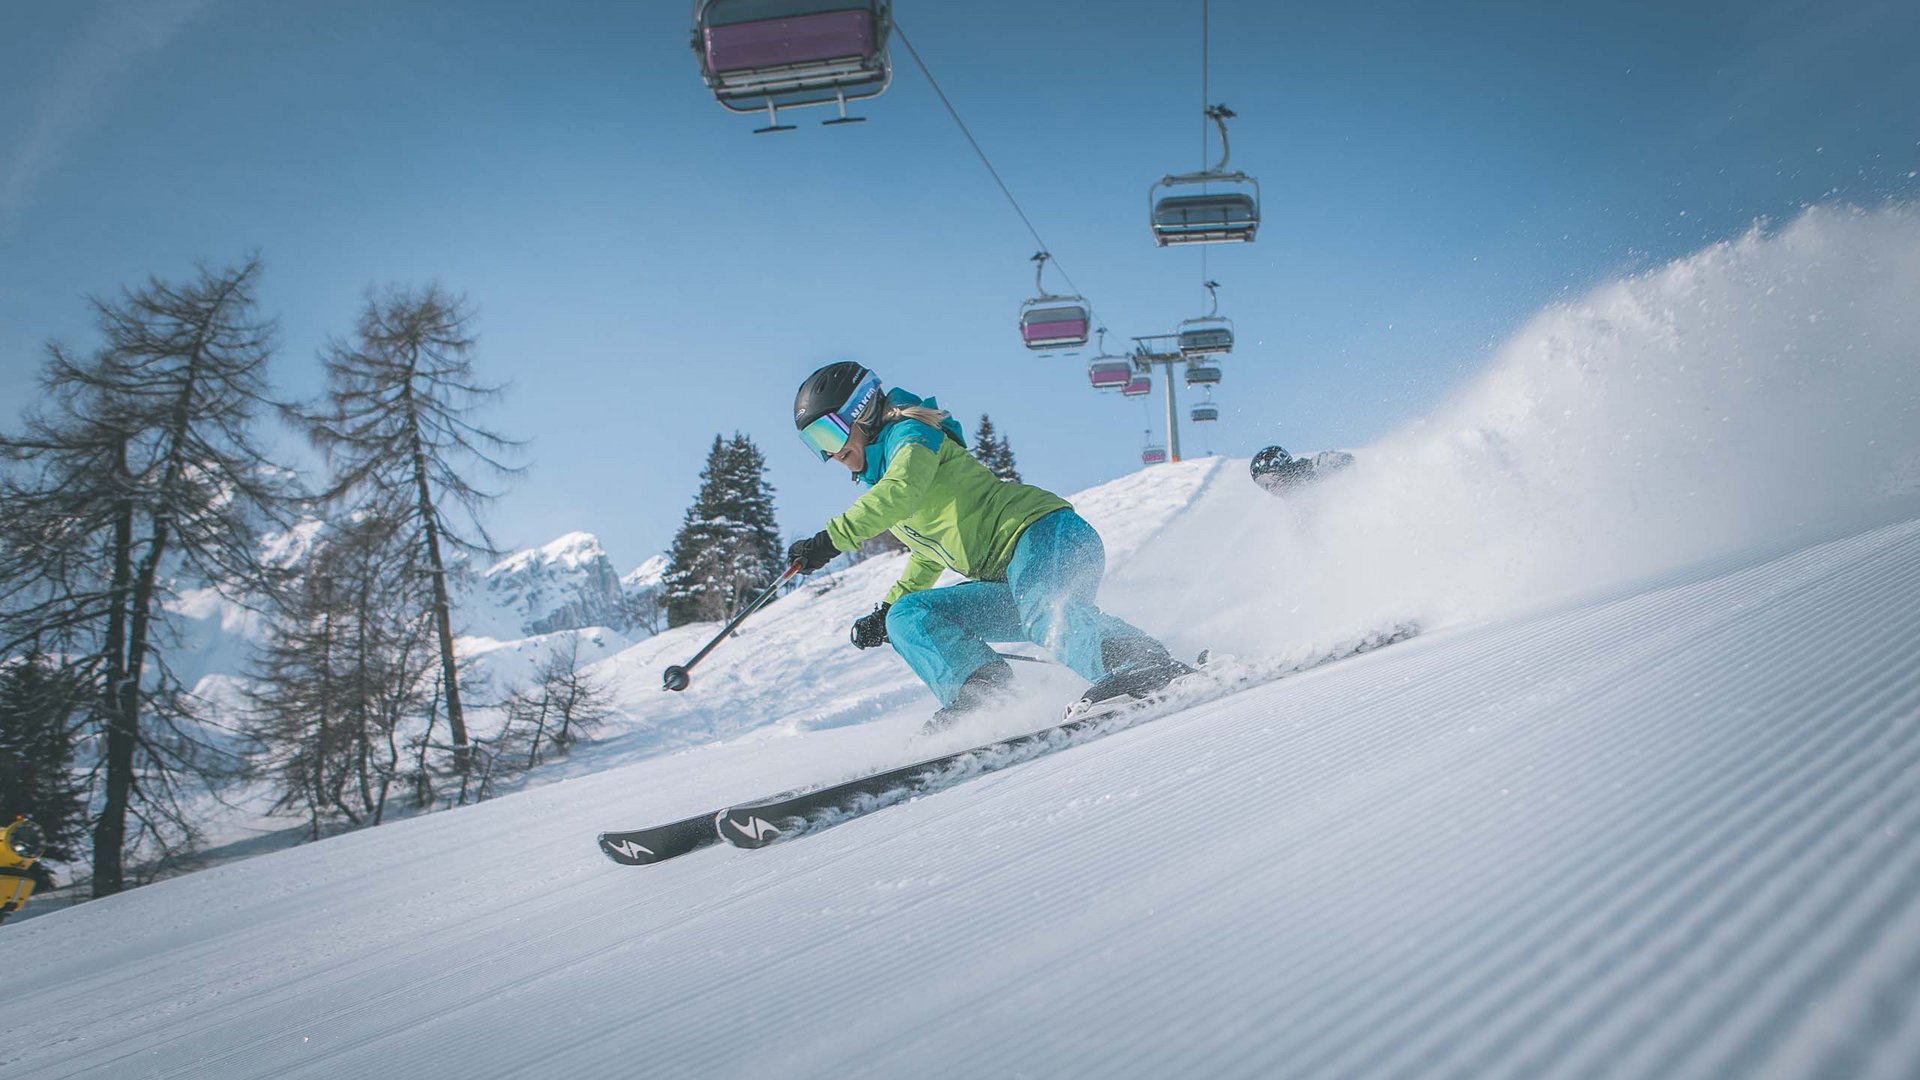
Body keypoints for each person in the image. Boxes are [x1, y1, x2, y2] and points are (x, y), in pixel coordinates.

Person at [786, 362, 1190, 730]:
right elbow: (928, 553)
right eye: (815, 443)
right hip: (1009, 580)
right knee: (910, 614)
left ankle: (1144, 666)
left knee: (1044, 613)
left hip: (1046, 536)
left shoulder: (912, 437)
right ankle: (983, 697)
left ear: (863, 413)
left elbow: (901, 491)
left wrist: (830, 540)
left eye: (830, 433)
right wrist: (889, 610)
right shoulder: (888, 478)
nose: (830, 453)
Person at [1249, 444, 1355, 496]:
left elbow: (1346, 460)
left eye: (1269, 481)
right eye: (1263, 485)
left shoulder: (1310, 469)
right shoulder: (1293, 499)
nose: (1271, 489)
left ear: (1281, 469)